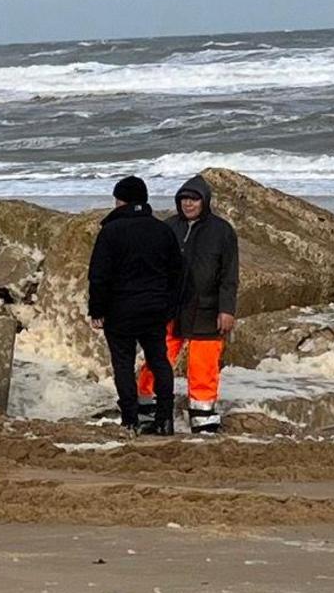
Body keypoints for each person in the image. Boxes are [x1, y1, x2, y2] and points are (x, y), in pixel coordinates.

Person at [84, 173, 187, 433]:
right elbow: (177, 272)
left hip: (120, 311)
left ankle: (131, 420)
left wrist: (97, 310)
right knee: (159, 360)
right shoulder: (162, 230)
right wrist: (170, 307)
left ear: (120, 202)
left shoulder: (110, 231)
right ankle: (164, 419)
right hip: (155, 309)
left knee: (123, 364)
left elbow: (99, 275)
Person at [167, 174, 240, 436]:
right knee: (158, 358)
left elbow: (229, 275)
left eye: (194, 199)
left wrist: (227, 309)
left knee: (204, 364)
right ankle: (148, 407)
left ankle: (203, 417)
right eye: (184, 199)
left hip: (209, 308)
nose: (188, 204)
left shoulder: (222, 231)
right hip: (172, 307)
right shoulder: (169, 227)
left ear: (204, 201)